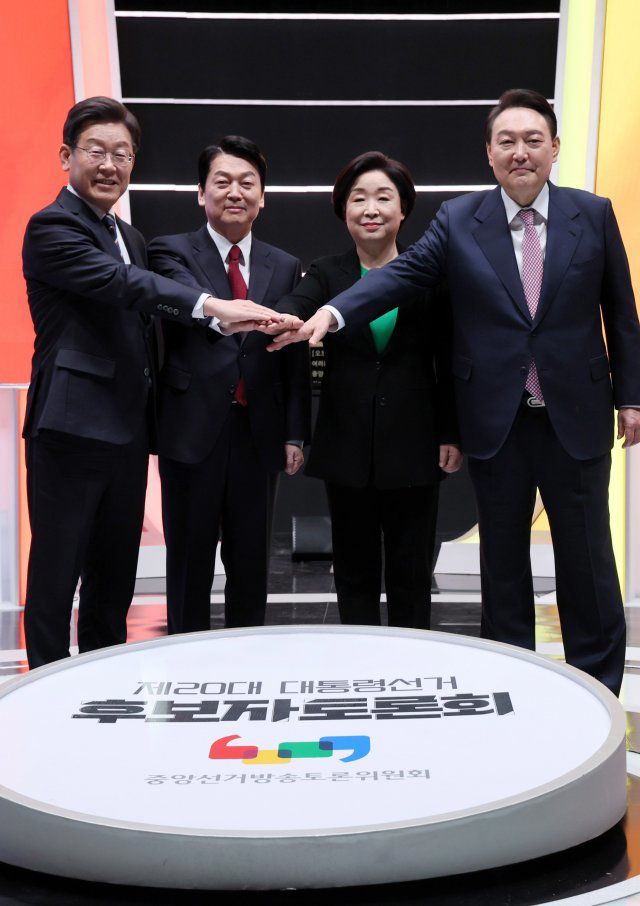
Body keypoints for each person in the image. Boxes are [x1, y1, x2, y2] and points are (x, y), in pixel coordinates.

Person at [269, 89, 640, 695]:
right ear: (489, 153)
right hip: (495, 420)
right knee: (503, 562)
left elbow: (621, 312)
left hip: (575, 415)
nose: (520, 153)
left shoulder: (592, 213)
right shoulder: (460, 219)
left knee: (588, 561)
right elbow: (402, 274)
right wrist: (333, 315)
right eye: (506, 142)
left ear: (554, 148)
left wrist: (632, 397)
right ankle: (514, 683)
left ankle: (597, 689)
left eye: (533, 140)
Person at [22, 98, 296, 669]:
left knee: (113, 574)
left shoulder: (129, 234)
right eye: (96, 151)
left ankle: (101, 674)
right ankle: (43, 683)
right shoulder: (52, 226)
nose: (109, 165)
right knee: (57, 570)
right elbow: (124, 285)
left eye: (122, 155)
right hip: (71, 426)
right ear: (67, 156)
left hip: (129, 428)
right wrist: (211, 305)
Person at [276, 151, 461, 627]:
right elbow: (297, 303)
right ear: (343, 210)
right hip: (347, 447)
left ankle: (412, 663)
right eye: (358, 199)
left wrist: (450, 432)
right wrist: (282, 318)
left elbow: (448, 360)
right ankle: (359, 665)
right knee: (353, 574)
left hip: (415, 446)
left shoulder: (431, 274)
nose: (371, 209)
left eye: (383, 197)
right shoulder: (326, 272)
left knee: (411, 575)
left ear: (404, 209)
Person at [148, 136, 311, 633]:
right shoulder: (169, 251)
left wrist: (295, 432)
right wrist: (225, 314)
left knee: (251, 562)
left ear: (263, 197)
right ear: (201, 193)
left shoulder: (284, 264)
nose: (235, 192)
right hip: (191, 429)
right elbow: (186, 302)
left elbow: (294, 356)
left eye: (247, 183)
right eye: (222, 182)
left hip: (257, 432)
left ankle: (247, 657)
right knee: (189, 562)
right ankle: (183, 657)